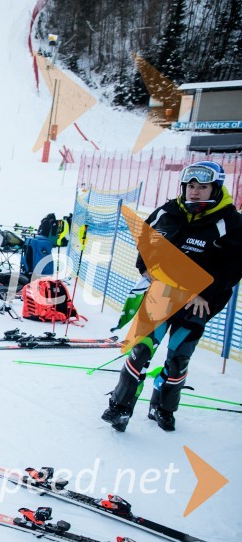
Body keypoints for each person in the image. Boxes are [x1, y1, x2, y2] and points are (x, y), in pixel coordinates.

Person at [102, 161, 242, 432]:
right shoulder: (169, 210)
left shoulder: (230, 221)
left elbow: (235, 266)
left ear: (216, 188)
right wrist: (145, 268)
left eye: (203, 187)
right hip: (161, 295)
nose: (195, 192)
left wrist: (204, 293)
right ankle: (119, 407)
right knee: (141, 350)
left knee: (178, 359)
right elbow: (145, 236)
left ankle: (162, 408)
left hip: (198, 304)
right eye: (191, 186)